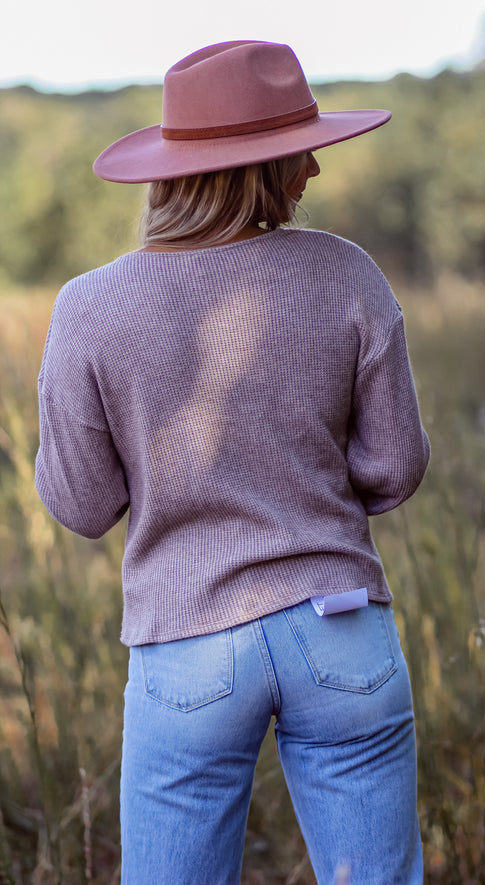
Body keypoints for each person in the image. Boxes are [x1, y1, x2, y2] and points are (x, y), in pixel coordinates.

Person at [35, 40, 430, 885]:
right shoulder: (346, 273)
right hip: (342, 624)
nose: (317, 168)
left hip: (188, 646)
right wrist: (300, 476)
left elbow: (80, 503)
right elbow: (396, 467)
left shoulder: (88, 306)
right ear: (263, 168)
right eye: (302, 150)